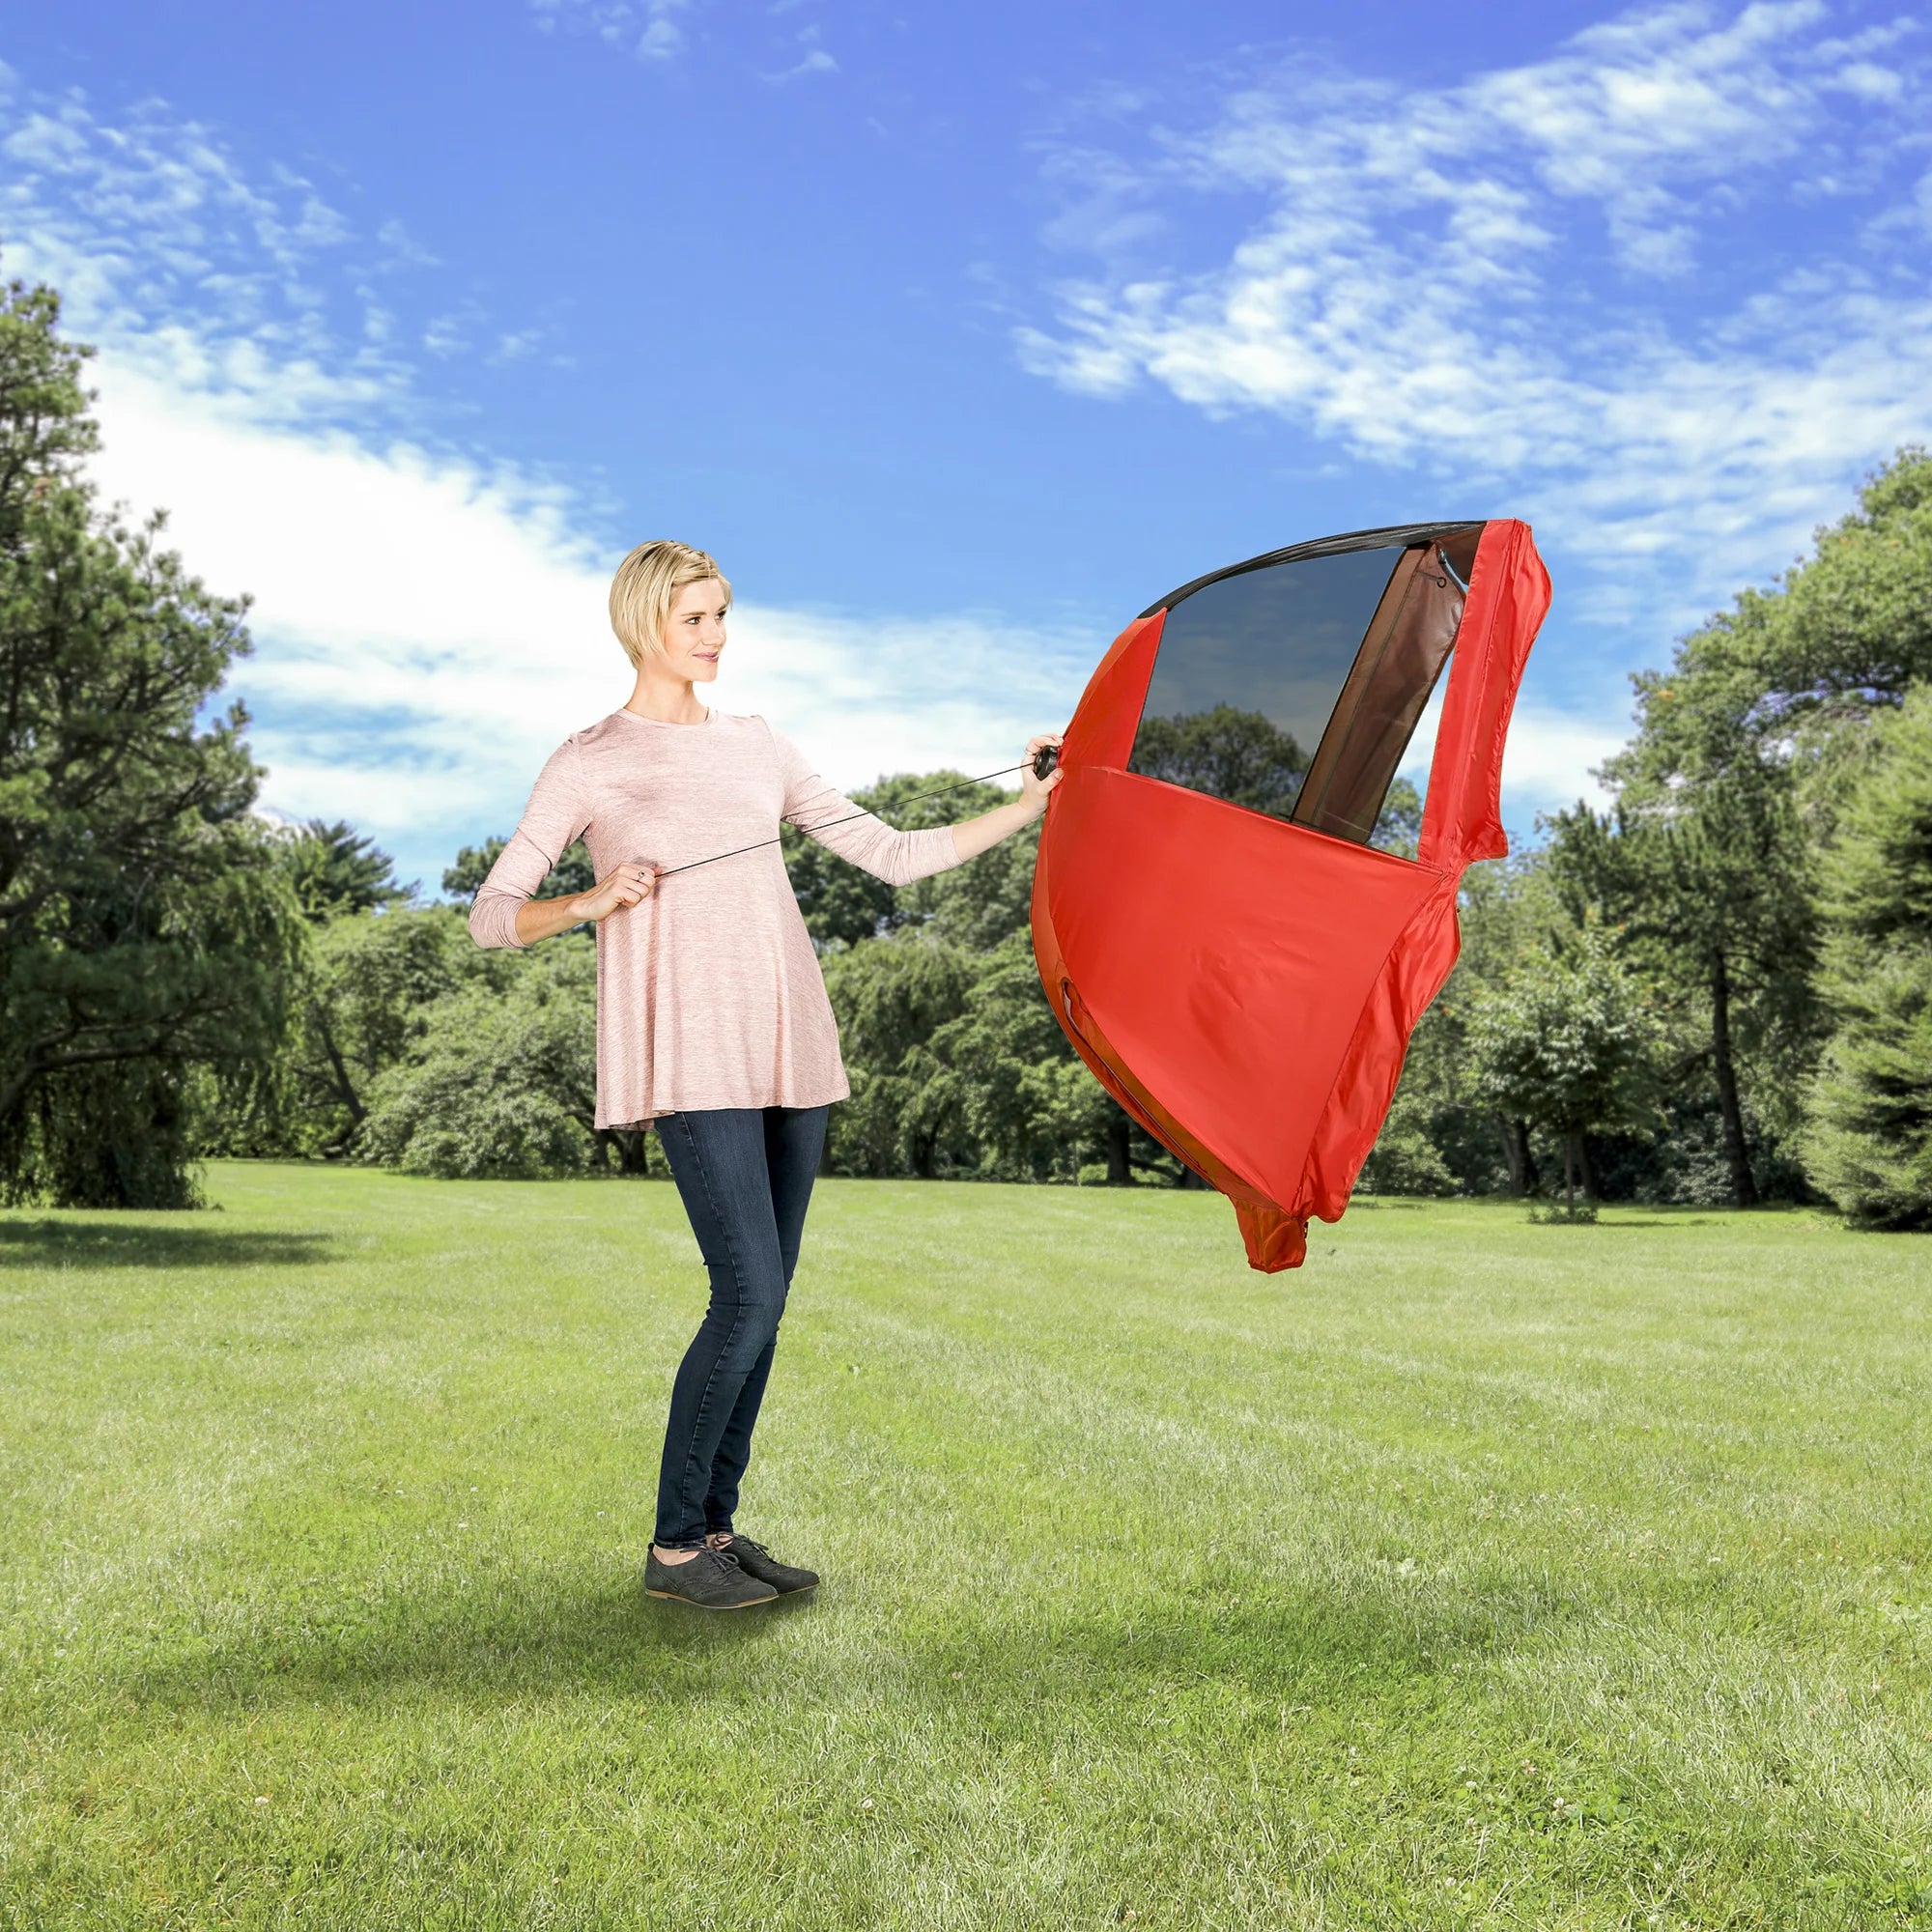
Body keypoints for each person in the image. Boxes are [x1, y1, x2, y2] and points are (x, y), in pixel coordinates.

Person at [469, 540, 1063, 1609]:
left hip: (791, 1039)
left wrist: (1026, 805)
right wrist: (587, 902)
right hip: (691, 1054)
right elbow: (489, 916)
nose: (717, 636)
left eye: (722, 615)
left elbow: (890, 852)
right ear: (646, 619)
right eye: (697, 617)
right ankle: (670, 1548)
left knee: (769, 1299)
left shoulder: (757, 744)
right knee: (742, 1293)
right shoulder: (590, 758)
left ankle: (715, 1530)